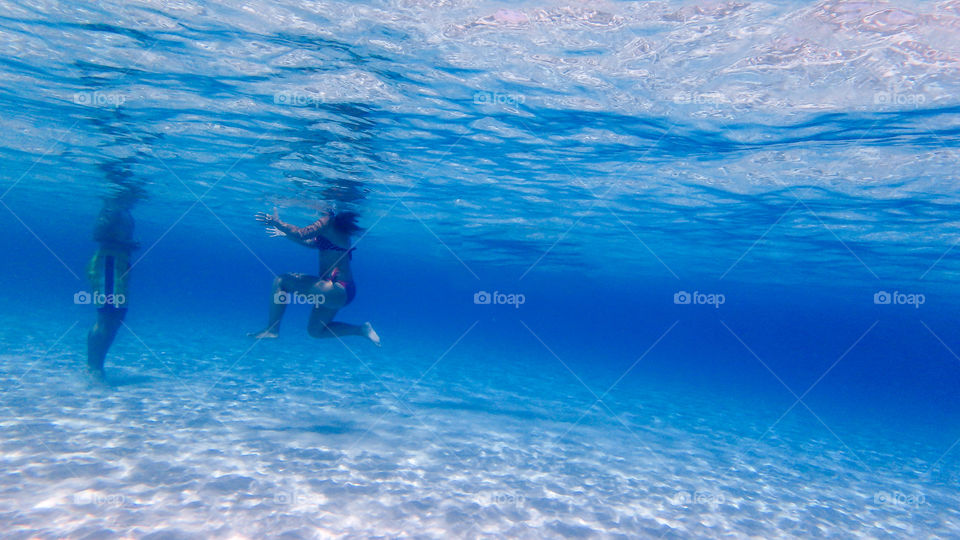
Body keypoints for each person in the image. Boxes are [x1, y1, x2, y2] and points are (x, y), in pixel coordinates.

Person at [250, 208, 380, 346]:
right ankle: (361, 330)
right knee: (316, 331)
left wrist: (277, 222)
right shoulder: (334, 228)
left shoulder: (328, 220)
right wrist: (285, 233)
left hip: (336, 288)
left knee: (281, 281)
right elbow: (312, 243)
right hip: (340, 290)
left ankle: (272, 330)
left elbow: (302, 233)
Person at [86, 188, 140, 378]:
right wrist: (127, 244)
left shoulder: (122, 210)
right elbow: (98, 234)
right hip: (109, 263)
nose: (137, 197)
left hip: (117, 265)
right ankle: (94, 369)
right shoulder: (113, 208)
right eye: (134, 193)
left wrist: (127, 245)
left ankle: (96, 366)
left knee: (117, 316)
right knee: (107, 316)